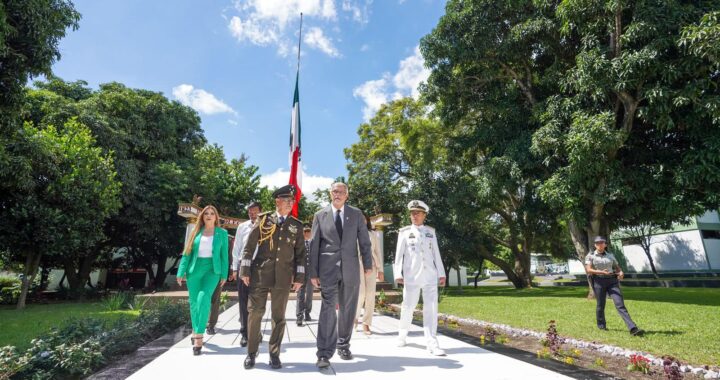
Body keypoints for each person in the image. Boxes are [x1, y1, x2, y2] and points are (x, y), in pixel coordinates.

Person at [239, 185, 305, 369]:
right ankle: (251, 353)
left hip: (283, 277)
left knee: (279, 317)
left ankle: (274, 354)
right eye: (287, 200)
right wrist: (244, 271)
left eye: (292, 200)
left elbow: (301, 254)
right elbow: (249, 247)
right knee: (255, 314)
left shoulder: (296, 225)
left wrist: (299, 277)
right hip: (260, 275)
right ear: (277, 201)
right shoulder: (263, 220)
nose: (291, 203)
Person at [308, 182, 372, 369]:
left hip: (351, 268)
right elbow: (314, 245)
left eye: (342, 192)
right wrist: (313, 272)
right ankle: (323, 353)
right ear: (330, 193)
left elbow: (365, 242)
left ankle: (343, 345)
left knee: (348, 308)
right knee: (328, 309)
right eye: (335, 191)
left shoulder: (356, 214)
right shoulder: (320, 215)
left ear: (347, 195)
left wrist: (367, 264)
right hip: (327, 270)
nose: (338, 194)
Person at [394, 200, 446, 356]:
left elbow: (436, 253)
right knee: (408, 307)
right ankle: (402, 335)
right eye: (412, 213)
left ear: (424, 215)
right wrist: (398, 274)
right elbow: (398, 256)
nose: (414, 216)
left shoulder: (431, 232)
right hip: (411, 277)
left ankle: (432, 343)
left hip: (430, 276)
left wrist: (441, 273)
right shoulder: (404, 233)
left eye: (417, 213)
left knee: (431, 309)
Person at [176, 205, 229, 355]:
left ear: (216, 217)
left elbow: (224, 256)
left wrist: (224, 274)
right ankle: (195, 330)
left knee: (203, 298)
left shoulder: (222, 233)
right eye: (206, 213)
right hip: (194, 270)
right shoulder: (196, 232)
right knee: (193, 302)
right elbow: (186, 254)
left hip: (212, 271)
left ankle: (198, 335)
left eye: (212, 213)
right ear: (203, 217)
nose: (209, 215)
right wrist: (181, 272)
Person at [585, 236, 644, 336]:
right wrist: (601, 272)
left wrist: (620, 272)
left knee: (620, 304)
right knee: (601, 304)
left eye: (601, 242)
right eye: (597, 243)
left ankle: (633, 328)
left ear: (605, 244)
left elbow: (617, 267)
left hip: (612, 281)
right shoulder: (590, 256)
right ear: (595, 245)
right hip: (598, 281)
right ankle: (601, 325)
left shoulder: (610, 255)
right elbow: (588, 270)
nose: (599, 244)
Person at [230, 201, 262, 346]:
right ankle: (244, 332)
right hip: (244, 265)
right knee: (243, 300)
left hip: (260, 266)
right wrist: (235, 268)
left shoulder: (266, 226)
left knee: (258, 301)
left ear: (260, 212)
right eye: (250, 211)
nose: (252, 213)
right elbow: (236, 248)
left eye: (255, 211)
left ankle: (256, 331)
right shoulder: (242, 227)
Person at [355, 216, 384, 335]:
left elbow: (378, 251)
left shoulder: (373, 234)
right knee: (360, 294)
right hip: (357, 265)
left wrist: (381, 270)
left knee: (370, 294)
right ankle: (354, 318)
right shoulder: (352, 233)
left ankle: (366, 323)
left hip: (371, 264)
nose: (362, 220)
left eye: (364, 219)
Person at [295, 224, 314, 326]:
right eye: (305, 232)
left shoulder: (313, 244)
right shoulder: (299, 244)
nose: (307, 234)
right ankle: (299, 316)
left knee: (310, 294)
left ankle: (307, 313)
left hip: (311, 272)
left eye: (308, 232)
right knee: (300, 295)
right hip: (301, 272)